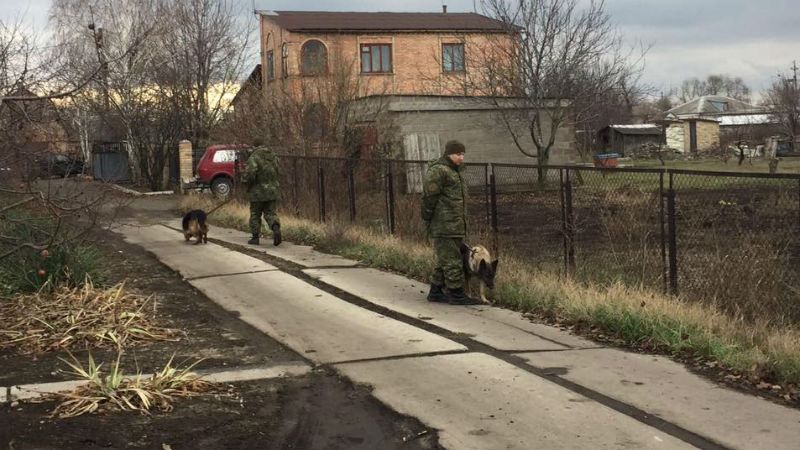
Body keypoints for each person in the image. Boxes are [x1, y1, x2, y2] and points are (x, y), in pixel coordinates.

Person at [421, 140, 481, 305]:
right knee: (452, 259)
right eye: (458, 154)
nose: (461, 157)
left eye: (463, 154)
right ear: (448, 154)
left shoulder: (455, 172)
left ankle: (435, 291)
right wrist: (427, 218)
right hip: (444, 225)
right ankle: (456, 294)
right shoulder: (439, 171)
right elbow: (428, 198)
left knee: (444, 259)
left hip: (455, 224)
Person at [244, 139, 282, 246]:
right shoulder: (273, 156)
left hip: (257, 191)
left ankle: (255, 238)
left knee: (255, 214)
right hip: (272, 190)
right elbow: (279, 170)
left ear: (255, 146)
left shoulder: (254, 157)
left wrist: (245, 182)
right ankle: (275, 228)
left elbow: (251, 173)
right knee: (270, 213)